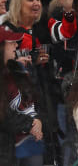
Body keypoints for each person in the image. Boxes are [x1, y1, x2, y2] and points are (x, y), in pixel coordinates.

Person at [0, 26, 43, 166]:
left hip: (24, 143)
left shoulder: (16, 68)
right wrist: (29, 124)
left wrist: (37, 120)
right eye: (11, 42)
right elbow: (3, 114)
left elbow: (33, 99)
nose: (16, 45)